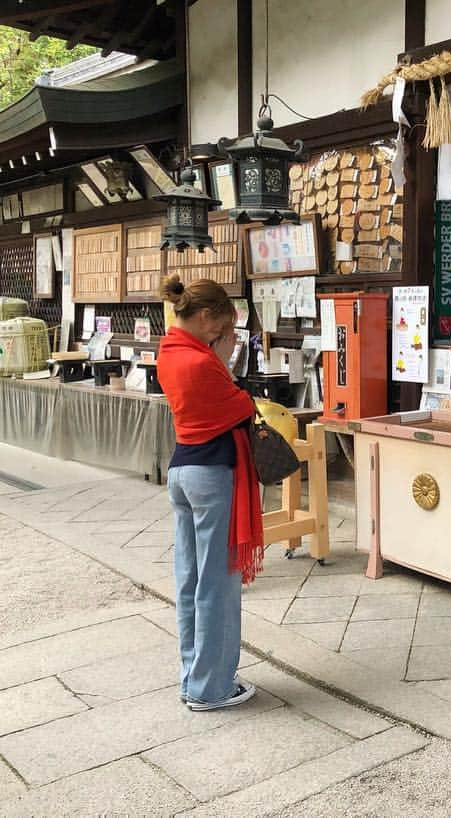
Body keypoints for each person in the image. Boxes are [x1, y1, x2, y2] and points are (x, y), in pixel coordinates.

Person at [157, 274, 263, 711]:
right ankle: (212, 688)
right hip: (211, 475)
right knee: (217, 583)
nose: (225, 336)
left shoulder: (168, 354)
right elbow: (243, 405)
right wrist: (221, 355)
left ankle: (192, 677)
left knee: (190, 579)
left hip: (182, 471)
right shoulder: (201, 363)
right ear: (205, 317)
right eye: (221, 328)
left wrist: (217, 349)